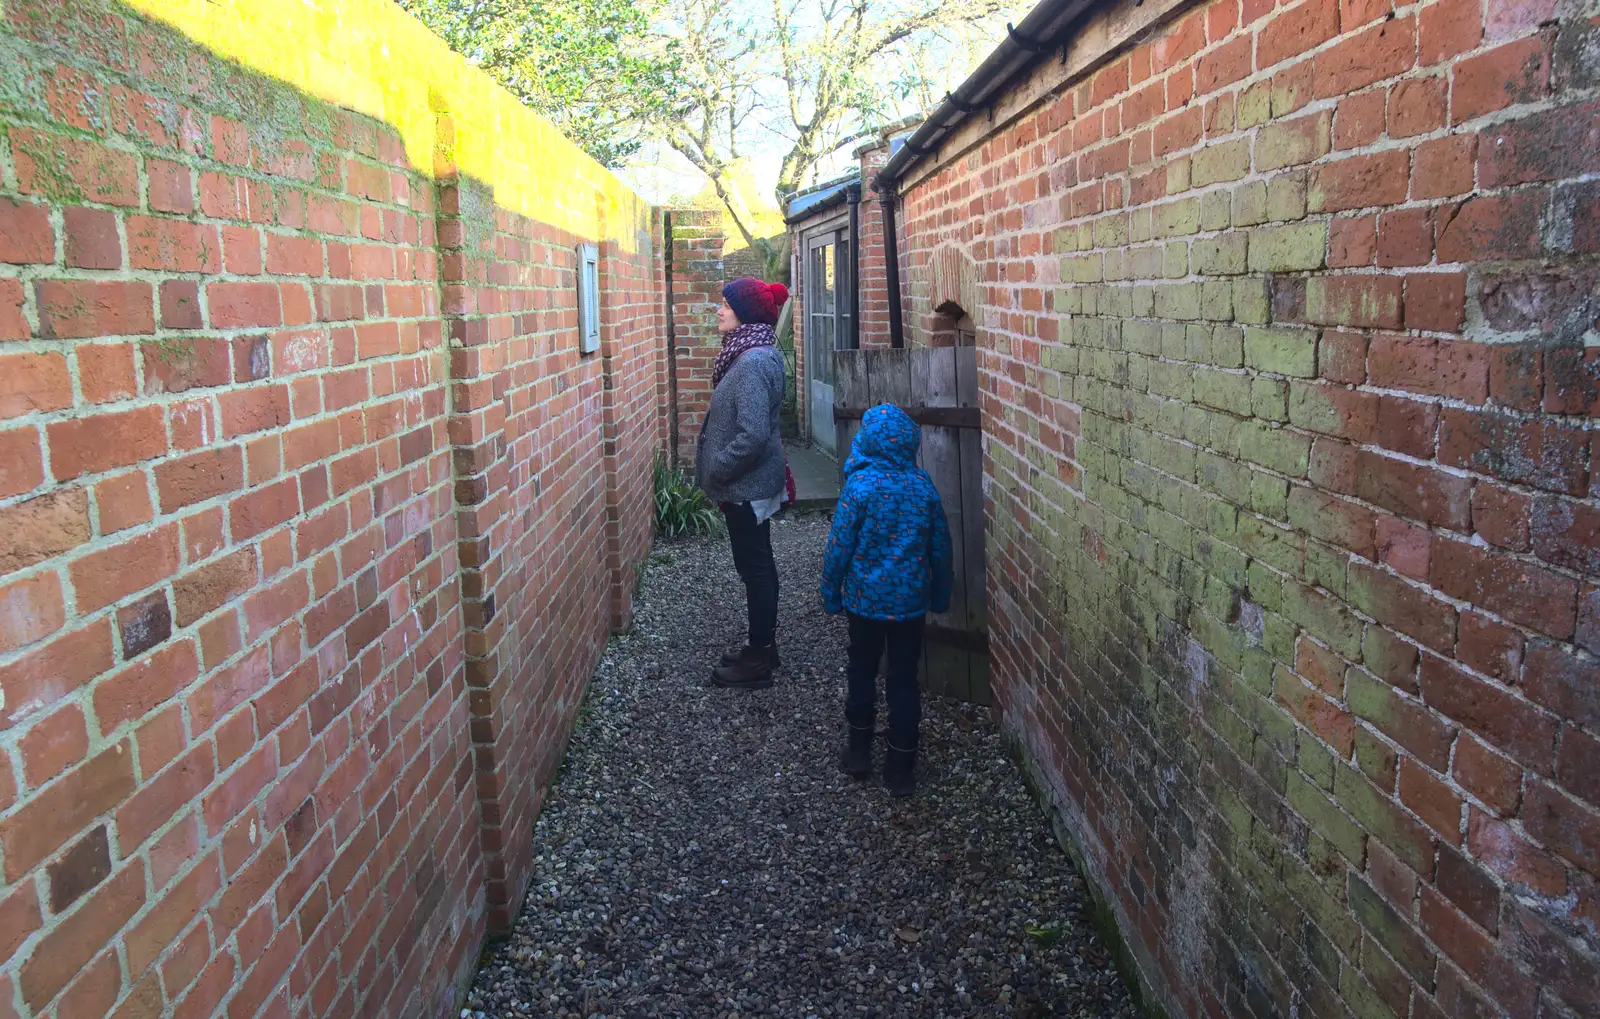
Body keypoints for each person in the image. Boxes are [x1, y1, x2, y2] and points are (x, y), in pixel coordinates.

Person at [819, 404, 952, 797]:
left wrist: (831, 592)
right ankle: (900, 767)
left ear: (868, 441)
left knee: (861, 669)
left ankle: (859, 750)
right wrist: (940, 594)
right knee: (904, 678)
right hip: (909, 605)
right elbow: (940, 550)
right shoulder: (923, 487)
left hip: (864, 603)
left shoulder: (859, 489)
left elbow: (838, 547)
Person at [696, 277, 792, 690]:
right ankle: (763, 646)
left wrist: (718, 467)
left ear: (747, 315)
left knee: (756, 570)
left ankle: (758, 659)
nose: (718, 311)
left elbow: (752, 435)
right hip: (748, 484)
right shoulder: (750, 354)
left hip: (746, 486)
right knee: (758, 566)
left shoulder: (752, 362)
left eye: (726, 306)